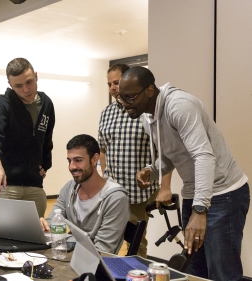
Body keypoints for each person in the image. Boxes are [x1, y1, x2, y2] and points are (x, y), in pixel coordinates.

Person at [118, 66, 249, 281]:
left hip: (225, 194)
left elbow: (204, 156)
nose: (124, 105)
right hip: (196, 194)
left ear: (150, 90)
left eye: (130, 97)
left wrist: (199, 210)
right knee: (194, 270)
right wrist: (152, 172)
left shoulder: (179, 106)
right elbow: (174, 155)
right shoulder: (146, 117)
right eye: (120, 98)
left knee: (222, 273)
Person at [98, 63, 173, 258]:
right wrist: (105, 177)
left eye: (117, 82)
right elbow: (103, 149)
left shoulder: (145, 112)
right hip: (112, 191)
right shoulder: (106, 113)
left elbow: (166, 152)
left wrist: (165, 187)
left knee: (136, 243)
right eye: (109, 84)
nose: (113, 88)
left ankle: (136, 275)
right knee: (107, 239)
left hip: (139, 193)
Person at [0, 58, 55, 218]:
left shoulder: (46, 104)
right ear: (10, 84)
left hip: (35, 185)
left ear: (36, 76)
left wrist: (45, 164)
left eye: (29, 82)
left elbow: (47, 139)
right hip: (7, 185)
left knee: (37, 235)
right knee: (5, 236)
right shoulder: (3, 104)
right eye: (18, 86)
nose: (26, 89)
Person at [40, 134, 130, 254]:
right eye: (69, 161)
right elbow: (53, 220)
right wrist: (44, 226)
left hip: (96, 266)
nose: (71, 167)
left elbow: (103, 250)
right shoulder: (69, 188)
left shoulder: (116, 199)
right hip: (70, 257)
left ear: (94, 159)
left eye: (78, 160)